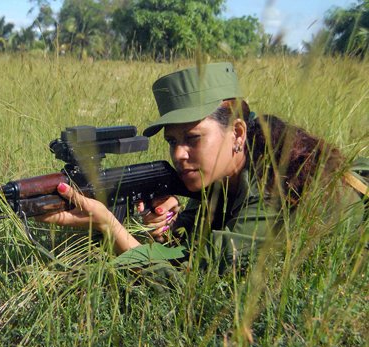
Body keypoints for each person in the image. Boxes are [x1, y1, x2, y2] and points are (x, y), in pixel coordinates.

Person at [37, 62, 367, 268]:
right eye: (171, 141)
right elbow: (188, 246)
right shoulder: (223, 176)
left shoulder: (270, 185)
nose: (179, 154)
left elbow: (195, 282)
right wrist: (168, 224)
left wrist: (111, 227)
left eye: (193, 138)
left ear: (237, 131)